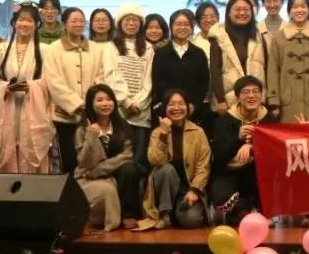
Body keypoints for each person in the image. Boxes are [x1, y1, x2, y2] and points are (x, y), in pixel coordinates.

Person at [44, 7, 111, 173]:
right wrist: (76, 103)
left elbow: (100, 77)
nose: (78, 24)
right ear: (64, 24)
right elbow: (53, 81)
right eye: (74, 21)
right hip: (63, 114)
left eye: (81, 21)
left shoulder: (95, 49)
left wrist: (92, 102)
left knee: (91, 159)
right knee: (67, 160)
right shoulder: (53, 49)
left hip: (90, 113)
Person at [0, 2, 53, 174]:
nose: (24, 24)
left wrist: (32, 87)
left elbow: (49, 82)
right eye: (21, 19)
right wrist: (4, 88)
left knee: (31, 146)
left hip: (33, 109)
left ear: (37, 24)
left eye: (29, 20)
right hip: (7, 108)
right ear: (14, 22)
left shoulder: (46, 50)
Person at [210, 76, 278, 220]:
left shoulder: (269, 118)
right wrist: (238, 139)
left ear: (261, 95)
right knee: (221, 199)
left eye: (256, 91)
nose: (251, 96)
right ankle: (244, 207)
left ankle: (247, 208)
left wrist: (251, 146)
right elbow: (218, 156)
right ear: (237, 97)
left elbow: (275, 150)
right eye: (246, 92)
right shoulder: (224, 120)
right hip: (229, 171)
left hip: (257, 173)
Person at [74, 84, 140, 231]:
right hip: (87, 178)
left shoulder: (122, 126)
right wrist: (91, 136)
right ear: (91, 104)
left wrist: (98, 170)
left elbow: (127, 156)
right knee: (106, 189)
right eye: (99, 100)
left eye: (109, 99)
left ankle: (128, 214)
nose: (105, 103)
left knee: (129, 169)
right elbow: (84, 162)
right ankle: (104, 219)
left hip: (100, 173)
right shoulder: (82, 129)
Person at [143, 90, 211, 229]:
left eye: (181, 103)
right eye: (171, 104)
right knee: (166, 169)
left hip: (187, 191)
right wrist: (163, 134)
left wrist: (194, 190)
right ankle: (164, 214)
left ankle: (174, 214)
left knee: (192, 220)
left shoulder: (198, 132)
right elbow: (155, 160)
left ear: (188, 107)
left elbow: (204, 165)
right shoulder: (157, 132)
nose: (176, 108)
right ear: (165, 108)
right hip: (164, 191)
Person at [105, 3, 154, 178]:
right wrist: (126, 101)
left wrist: (138, 103)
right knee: (119, 159)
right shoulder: (110, 47)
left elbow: (149, 79)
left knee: (138, 160)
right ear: (119, 23)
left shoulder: (148, 48)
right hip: (119, 110)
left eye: (135, 20)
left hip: (140, 112)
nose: (131, 23)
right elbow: (110, 75)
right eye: (127, 20)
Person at [207, 0, 269, 114]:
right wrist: (221, 99)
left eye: (246, 9)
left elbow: (266, 67)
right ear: (228, 13)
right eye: (237, 9)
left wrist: (266, 95)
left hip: (256, 100)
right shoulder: (219, 36)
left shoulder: (259, 36)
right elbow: (215, 70)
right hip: (230, 101)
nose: (242, 13)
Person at [152, 9, 212, 124]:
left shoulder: (198, 53)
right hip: (167, 110)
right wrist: (171, 104)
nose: (182, 27)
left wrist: (193, 105)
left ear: (191, 28)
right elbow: (158, 81)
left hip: (192, 111)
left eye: (186, 24)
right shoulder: (161, 53)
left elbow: (203, 82)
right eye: (178, 24)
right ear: (171, 27)